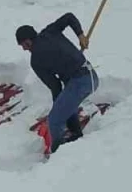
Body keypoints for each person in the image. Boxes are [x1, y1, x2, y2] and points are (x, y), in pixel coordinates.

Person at [16, 12, 100, 153]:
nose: (24, 48)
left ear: (28, 41)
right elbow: (69, 17)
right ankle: (76, 135)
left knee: (54, 120)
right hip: (91, 76)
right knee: (67, 105)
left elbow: (55, 86)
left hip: (80, 82)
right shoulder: (50, 31)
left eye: (23, 45)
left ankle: (58, 155)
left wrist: (58, 106)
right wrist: (80, 35)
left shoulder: (35, 60)